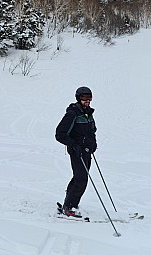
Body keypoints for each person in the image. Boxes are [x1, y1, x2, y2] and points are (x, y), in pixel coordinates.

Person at [55, 86, 97, 217]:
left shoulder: (88, 113)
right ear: (78, 98)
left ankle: (70, 203)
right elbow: (60, 134)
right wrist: (73, 145)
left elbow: (92, 131)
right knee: (81, 180)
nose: (87, 101)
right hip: (77, 151)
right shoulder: (72, 114)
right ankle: (69, 207)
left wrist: (93, 143)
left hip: (86, 151)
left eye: (89, 98)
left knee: (79, 178)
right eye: (84, 98)